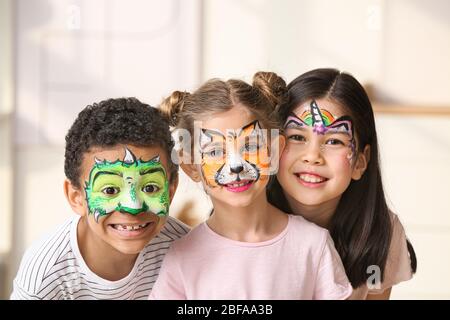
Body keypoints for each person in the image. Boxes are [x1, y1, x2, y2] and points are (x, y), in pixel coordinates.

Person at [149, 72, 353, 299]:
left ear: (274, 151)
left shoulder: (313, 246)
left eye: (251, 146)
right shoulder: (181, 257)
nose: (236, 165)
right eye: (215, 151)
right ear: (190, 166)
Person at [11, 97, 189, 300]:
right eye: (110, 190)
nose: (133, 206)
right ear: (76, 197)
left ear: (171, 190)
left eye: (149, 187)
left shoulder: (186, 249)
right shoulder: (46, 276)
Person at [267, 68, 417, 299]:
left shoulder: (381, 234)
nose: (312, 155)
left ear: (360, 162)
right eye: (297, 137)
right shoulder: (247, 223)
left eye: (334, 141)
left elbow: (376, 292)